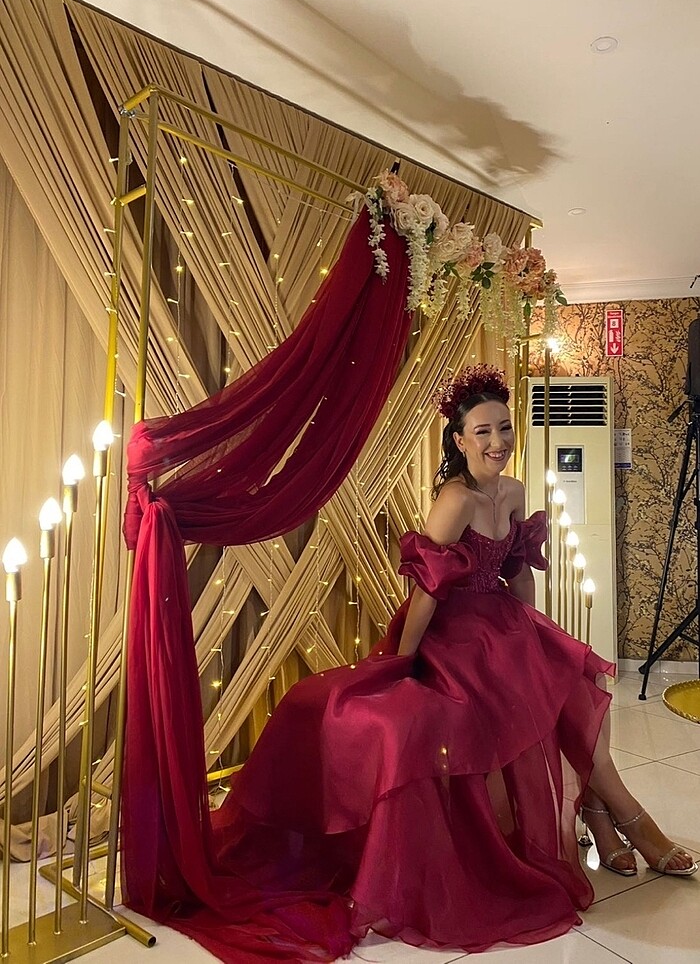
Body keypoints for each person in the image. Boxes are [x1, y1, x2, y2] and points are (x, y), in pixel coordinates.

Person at [180, 364, 697, 964]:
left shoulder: (514, 490)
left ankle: (607, 814)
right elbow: (426, 594)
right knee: (508, 700)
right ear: (459, 439)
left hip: (500, 622)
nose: (498, 442)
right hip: (452, 633)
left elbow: (518, 572)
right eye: (483, 432)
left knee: (567, 682)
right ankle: (625, 820)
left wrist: (535, 636)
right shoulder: (453, 501)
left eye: (504, 428)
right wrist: (401, 664)